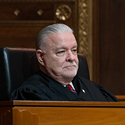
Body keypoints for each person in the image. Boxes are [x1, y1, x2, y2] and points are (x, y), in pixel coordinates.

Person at [11, 24, 119, 101]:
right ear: (41, 57)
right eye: (61, 52)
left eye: (74, 50)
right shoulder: (31, 94)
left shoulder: (95, 89)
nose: (71, 58)